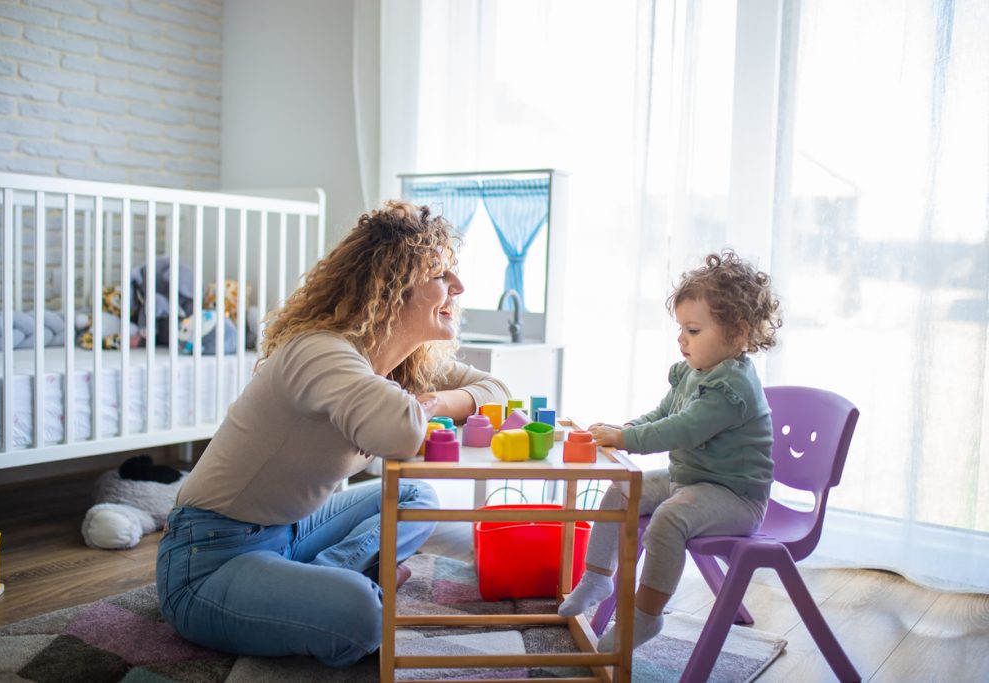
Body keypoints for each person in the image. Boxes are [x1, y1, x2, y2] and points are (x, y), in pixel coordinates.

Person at [156, 201, 510, 667]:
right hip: (208, 559)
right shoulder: (319, 351)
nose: (459, 287)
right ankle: (342, 586)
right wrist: (418, 408)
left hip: (292, 530)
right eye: (442, 273)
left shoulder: (402, 362)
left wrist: (433, 402)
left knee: (417, 496)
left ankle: (321, 577)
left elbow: (498, 391)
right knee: (361, 612)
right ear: (394, 286)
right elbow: (401, 433)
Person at [559, 250, 782, 652]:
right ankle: (596, 577)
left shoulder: (731, 388)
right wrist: (629, 428)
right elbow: (665, 412)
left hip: (735, 498)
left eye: (693, 330)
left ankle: (645, 618)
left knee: (668, 520)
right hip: (691, 481)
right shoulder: (693, 371)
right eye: (681, 328)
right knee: (621, 489)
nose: (682, 339)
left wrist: (627, 440)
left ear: (739, 333)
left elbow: (682, 429)